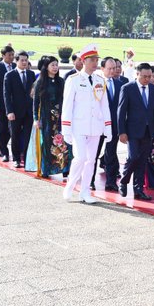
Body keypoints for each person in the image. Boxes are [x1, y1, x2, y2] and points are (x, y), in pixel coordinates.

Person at [61, 45, 110, 203]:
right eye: (92, 60)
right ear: (83, 61)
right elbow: (67, 105)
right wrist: (66, 129)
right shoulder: (73, 80)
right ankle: (70, 185)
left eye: (97, 60)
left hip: (95, 126)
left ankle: (85, 191)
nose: (95, 63)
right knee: (80, 158)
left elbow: (104, 106)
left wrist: (107, 127)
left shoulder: (100, 80)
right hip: (78, 126)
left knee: (91, 160)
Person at [117, 62, 154, 200]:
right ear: (137, 74)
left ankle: (138, 190)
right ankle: (124, 181)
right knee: (133, 157)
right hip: (132, 130)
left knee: (143, 160)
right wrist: (121, 132)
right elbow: (121, 112)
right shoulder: (127, 88)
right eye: (145, 76)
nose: (148, 79)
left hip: (149, 131)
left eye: (150, 76)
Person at [33, 56, 70, 178]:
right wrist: (36, 119)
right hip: (47, 116)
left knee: (63, 142)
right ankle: (47, 169)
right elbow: (36, 101)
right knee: (48, 143)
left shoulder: (61, 81)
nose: (55, 67)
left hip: (60, 117)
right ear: (46, 67)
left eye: (56, 65)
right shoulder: (41, 82)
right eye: (52, 65)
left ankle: (65, 168)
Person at [4, 50, 36, 168]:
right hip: (15, 112)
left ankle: (27, 158)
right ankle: (16, 158)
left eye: (26, 60)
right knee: (15, 135)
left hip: (28, 111)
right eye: (22, 60)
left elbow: (33, 94)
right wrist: (9, 111)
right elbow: (6, 94)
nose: (24, 62)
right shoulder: (10, 75)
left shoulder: (31, 74)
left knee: (28, 136)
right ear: (16, 61)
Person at [98, 57, 124, 192]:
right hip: (97, 126)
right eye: (110, 68)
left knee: (111, 154)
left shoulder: (120, 85)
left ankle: (111, 182)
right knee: (93, 154)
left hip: (113, 127)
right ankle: (89, 180)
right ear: (102, 69)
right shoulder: (96, 83)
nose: (113, 71)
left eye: (115, 68)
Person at [0, 45, 15, 162]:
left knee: (11, 130)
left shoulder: (15, 66)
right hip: (1, 104)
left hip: (13, 105)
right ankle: (4, 152)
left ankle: (0, 146)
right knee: (2, 129)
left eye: (12, 55)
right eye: (9, 55)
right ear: (3, 56)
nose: (12, 57)